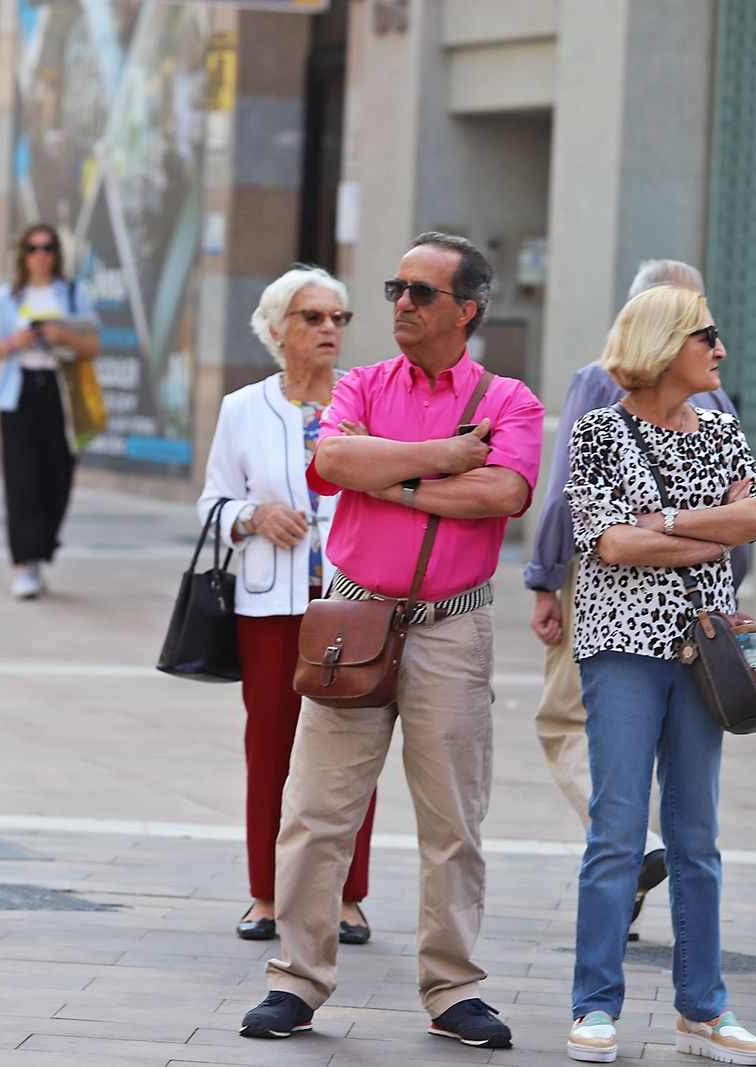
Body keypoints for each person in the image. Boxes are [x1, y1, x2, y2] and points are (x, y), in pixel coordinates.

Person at [239, 233, 544, 1051]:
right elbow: (333, 457)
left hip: (453, 624)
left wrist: (396, 475)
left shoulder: (510, 398)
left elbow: (503, 490)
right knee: (315, 810)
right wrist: (442, 458)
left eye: (421, 292)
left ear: (467, 310)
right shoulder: (365, 383)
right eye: (396, 289)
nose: (401, 305)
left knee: (454, 818)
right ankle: (295, 981)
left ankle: (453, 990)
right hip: (354, 615)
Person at [561, 285, 756, 1064]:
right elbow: (610, 548)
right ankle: (595, 1004)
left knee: (697, 835)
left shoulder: (724, 432)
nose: (721, 350)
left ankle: (704, 1006)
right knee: (618, 829)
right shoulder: (598, 432)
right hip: (621, 645)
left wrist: (661, 524)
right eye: (707, 337)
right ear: (663, 345)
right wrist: (702, 531)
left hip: (702, 652)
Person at [526, 259, 746, 940]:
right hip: (697, 602)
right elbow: (737, 525)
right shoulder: (715, 398)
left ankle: (636, 847)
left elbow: (571, 496)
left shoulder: (601, 381)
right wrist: (721, 566)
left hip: (610, 601)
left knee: (567, 722)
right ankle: (638, 871)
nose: (712, 346)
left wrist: (544, 576)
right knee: (672, 763)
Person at [197, 265, 376, 947]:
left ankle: (348, 896)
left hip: (352, 604)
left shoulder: (363, 403)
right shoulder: (245, 407)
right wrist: (253, 515)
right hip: (270, 606)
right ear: (277, 329)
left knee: (353, 750)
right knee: (270, 749)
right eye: (313, 317)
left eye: (338, 318)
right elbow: (212, 502)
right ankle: (267, 895)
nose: (329, 328)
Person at [0, 223, 100, 599]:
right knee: (21, 481)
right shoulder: (7, 297)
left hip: (60, 393)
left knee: (58, 477)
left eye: (47, 248)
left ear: (56, 254)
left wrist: (63, 337)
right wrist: (14, 342)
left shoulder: (72, 292)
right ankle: (23, 564)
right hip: (19, 392)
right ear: (23, 254)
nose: (40, 255)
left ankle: (41, 548)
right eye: (33, 248)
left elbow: (92, 344)